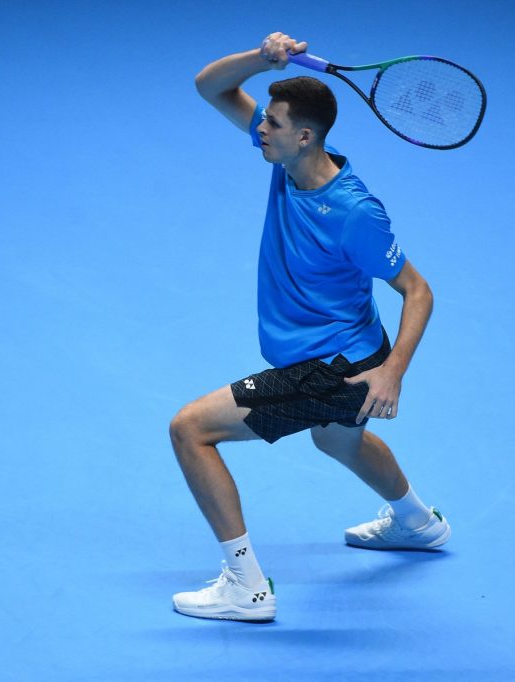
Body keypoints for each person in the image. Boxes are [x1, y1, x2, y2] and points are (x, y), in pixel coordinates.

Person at [169, 33, 450, 622]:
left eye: (271, 121)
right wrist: (262, 58)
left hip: (333, 365)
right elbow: (209, 85)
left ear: (304, 136)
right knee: (335, 438)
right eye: (263, 119)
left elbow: (416, 290)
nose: (260, 129)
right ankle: (418, 523)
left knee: (190, 429)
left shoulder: (354, 213)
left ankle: (245, 586)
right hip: (344, 352)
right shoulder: (288, 157)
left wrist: (392, 372)